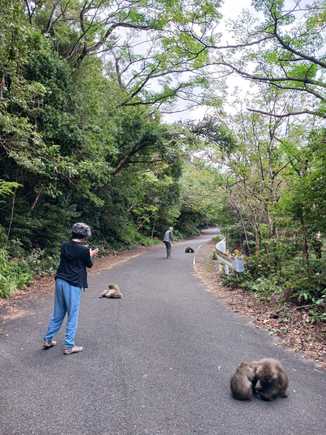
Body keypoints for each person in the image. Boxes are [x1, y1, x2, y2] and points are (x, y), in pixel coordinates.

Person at [43, 222, 98, 355]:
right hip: (73, 284)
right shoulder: (84, 250)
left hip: (60, 280)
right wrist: (92, 254)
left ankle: (48, 340)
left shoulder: (64, 245)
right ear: (85, 236)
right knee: (72, 315)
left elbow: (72, 256)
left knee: (58, 313)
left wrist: (87, 253)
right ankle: (69, 346)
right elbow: (89, 265)